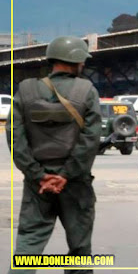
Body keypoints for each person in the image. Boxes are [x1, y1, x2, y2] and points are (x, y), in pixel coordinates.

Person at [8, 36, 102, 274]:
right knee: (80, 249)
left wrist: (38, 175)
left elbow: (15, 138)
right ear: (78, 61)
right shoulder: (86, 91)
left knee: (28, 244)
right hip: (75, 183)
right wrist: (66, 174)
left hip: (37, 184)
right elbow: (90, 140)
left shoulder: (26, 90)